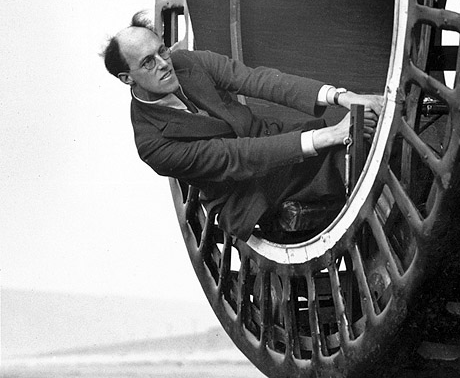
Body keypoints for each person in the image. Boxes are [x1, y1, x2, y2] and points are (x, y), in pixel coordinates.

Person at [102, 13, 383, 241]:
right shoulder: (152, 145)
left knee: (369, 147)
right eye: (149, 62)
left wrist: (344, 97)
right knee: (359, 157)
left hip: (280, 148)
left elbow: (256, 80)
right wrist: (330, 135)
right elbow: (236, 156)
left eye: (162, 50)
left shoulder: (186, 61)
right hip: (249, 192)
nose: (165, 64)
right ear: (128, 78)